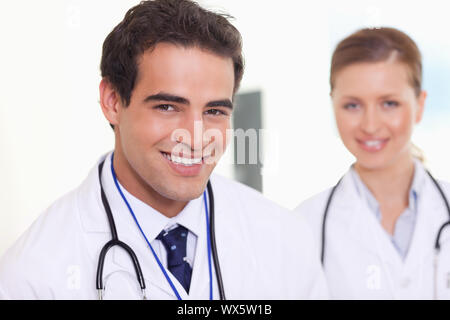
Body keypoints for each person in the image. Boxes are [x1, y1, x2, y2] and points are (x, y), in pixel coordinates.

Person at [0, 0, 327, 300]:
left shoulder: (286, 241)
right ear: (113, 102)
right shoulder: (33, 275)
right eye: (168, 107)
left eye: (214, 111)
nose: (196, 138)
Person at [295, 27, 450, 299]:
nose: (370, 125)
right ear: (333, 105)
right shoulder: (302, 226)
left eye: (389, 103)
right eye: (352, 105)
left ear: (420, 105)